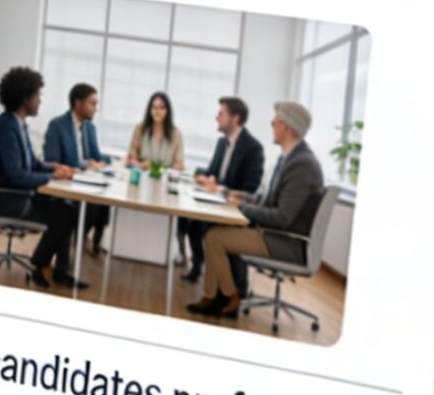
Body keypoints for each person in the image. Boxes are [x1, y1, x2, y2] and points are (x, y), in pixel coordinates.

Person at [187, 102, 325, 320]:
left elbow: (282, 217)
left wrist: (241, 207)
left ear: (287, 127)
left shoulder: (302, 164)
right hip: (277, 235)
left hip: (286, 241)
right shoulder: (289, 157)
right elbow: (267, 199)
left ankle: (228, 296)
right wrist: (237, 196)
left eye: (276, 120)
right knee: (213, 234)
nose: (271, 123)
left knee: (214, 238)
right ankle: (217, 296)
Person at [0, 66, 86, 291]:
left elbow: (32, 163)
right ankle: (40, 264)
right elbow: (16, 175)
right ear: (25, 97)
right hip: (10, 201)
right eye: (38, 95)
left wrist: (56, 167)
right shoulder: (6, 128)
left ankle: (58, 270)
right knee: (66, 212)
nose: (40, 100)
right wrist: (51, 176)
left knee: (68, 207)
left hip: (20, 194)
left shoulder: (16, 124)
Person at [180, 96, 265, 285]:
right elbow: (213, 172)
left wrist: (220, 188)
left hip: (234, 209)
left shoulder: (253, 148)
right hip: (217, 203)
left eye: (221, 114)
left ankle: (231, 281)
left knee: (206, 228)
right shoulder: (222, 143)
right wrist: (201, 175)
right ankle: (197, 267)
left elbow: (250, 188)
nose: (216, 117)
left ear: (235, 119)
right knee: (192, 224)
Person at [44, 82, 115, 256]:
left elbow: (96, 154)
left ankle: (82, 242)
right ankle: (71, 248)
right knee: (87, 207)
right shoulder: (57, 125)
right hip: (67, 184)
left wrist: (113, 161)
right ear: (78, 103)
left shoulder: (90, 127)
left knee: (104, 204)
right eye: (92, 103)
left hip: (87, 181)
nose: (95, 108)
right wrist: (85, 164)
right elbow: (52, 160)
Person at [126, 91, 184, 171]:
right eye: (154, 107)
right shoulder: (140, 129)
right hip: (142, 174)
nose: (158, 111)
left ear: (167, 111)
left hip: (165, 177)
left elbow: (179, 164)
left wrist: (164, 170)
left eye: (162, 108)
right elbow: (130, 158)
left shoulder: (175, 133)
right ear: (150, 110)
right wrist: (143, 166)